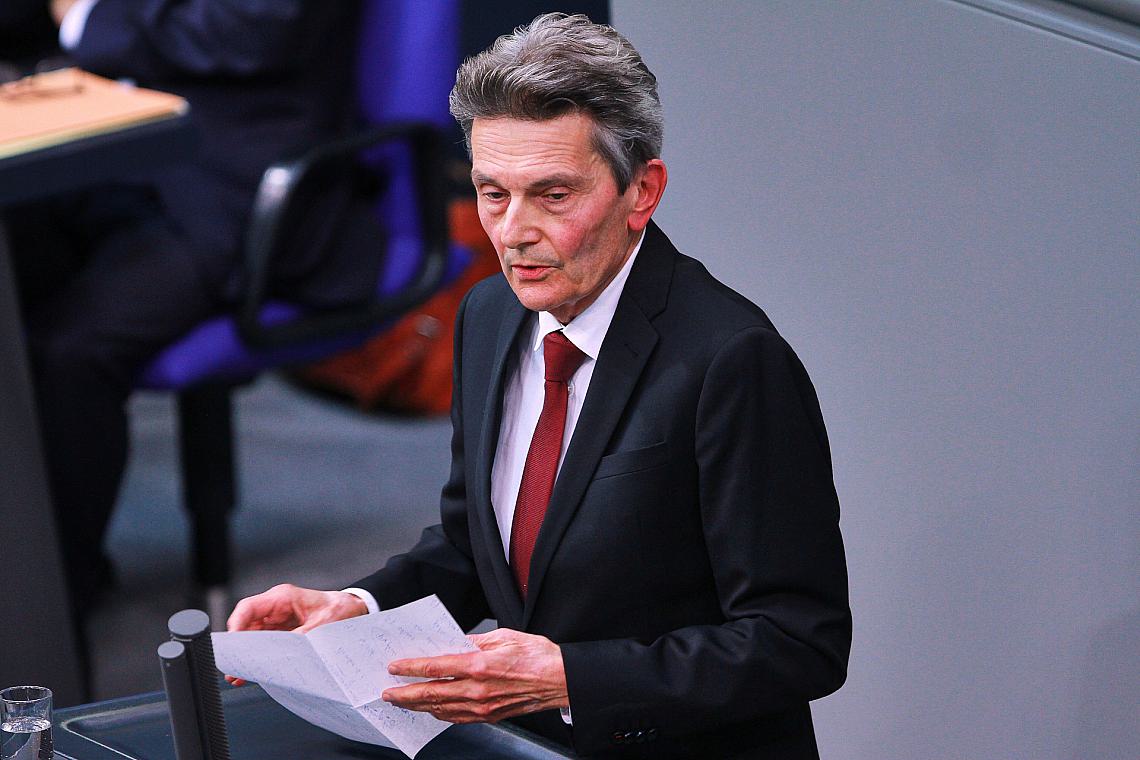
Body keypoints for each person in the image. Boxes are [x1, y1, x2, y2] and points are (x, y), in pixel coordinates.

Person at [228, 13, 851, 759]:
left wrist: (570, 680)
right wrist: (358, 605)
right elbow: (477, 545)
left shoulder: (732, 361)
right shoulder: (489, 312)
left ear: (641, 191)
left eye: (552, 196)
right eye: (492, 194)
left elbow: (798, 642)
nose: (513, 233)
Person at [5, 0, 376, 622]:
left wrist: (86, 15)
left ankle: (53, 601)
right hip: (110, 151)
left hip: (228, 179)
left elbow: (250, 32)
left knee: (69, 349)